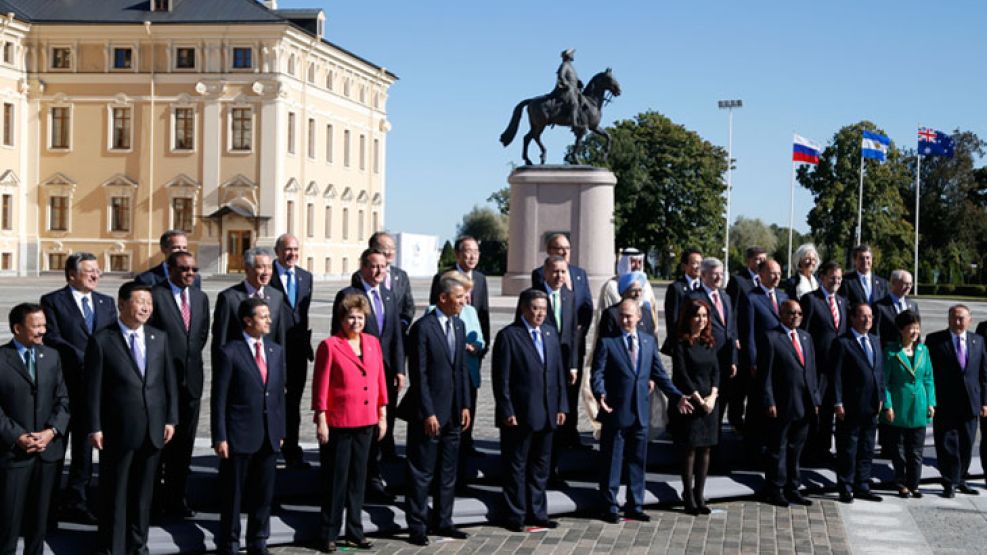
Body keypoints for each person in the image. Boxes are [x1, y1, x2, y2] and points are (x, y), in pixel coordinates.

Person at [85, 281, 177, 554]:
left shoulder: (158, 338)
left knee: (142, 497)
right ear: (122, 304)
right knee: (115, 495)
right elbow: (92, 389)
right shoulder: (102, 340)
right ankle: (111, 548)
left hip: (153, 428)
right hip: (117, 430)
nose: (146, 307)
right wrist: (95, 427)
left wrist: (170, 419)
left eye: (148, 302)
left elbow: (168, 382)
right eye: (139, 301)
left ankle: (138, 547)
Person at [593, 298, 691, 522]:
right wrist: (600, 394)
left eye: (629, 315)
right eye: (621, 316)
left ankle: (635, 505)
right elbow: (597, 373)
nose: (625, 320)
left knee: (637, 460)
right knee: (612, 460)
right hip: (615, 410)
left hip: (640, 410)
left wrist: (677, 397)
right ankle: (609, 506)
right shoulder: (608, 342)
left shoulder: (647, 342)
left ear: (639, 317)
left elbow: (660, 375)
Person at [40, 252, 117, 524]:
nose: (96, 276)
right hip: (63, 387)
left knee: (85, 447)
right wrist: (83, 356)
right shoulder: (53, 301)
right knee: (56, 447)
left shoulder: (106, 303)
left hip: (94, 389)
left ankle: (77, 499)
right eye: (89, 271)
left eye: (98, 271)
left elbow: (112, 339)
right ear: (72, 275)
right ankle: (47, 503)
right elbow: (51, 337)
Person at [399, 272, 472, 546]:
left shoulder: (459, 325)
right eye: (459, 298)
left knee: (447, 471)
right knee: (422, 472)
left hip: (454, 413)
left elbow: (461, 369)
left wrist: (464, 404)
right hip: (428, 414)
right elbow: (419, 375)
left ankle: (444, 520)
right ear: (443, 298)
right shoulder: (423, 328)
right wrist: (428, 412)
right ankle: (417, 525)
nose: (463, 302)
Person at [312, 293, 386, 552]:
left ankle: (355, 530)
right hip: (340, 422)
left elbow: (379, 380)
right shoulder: (330, 345)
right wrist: (321, 418)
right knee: (336, 480)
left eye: (360, 317)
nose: (355, 322)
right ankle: (328, 532)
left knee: (358, 478)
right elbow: (320, 385)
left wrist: (383, 413)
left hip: (366, 420)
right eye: (350, 317)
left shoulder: (373, 343)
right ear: (341, 320)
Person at [212, 298, 286, 555]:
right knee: (233, 496)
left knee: (263, 494)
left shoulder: (276, 351)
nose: (269, 320)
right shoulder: (230, 352)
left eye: (269, 315)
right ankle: (229, 543)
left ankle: (258, 540)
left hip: (269, 434)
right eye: (263, 316)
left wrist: (281, 431)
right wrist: (220, 435)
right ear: (247, 320)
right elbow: (219, 398)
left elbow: (278, 396)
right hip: (238, 434)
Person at [492, 289, 568, 532]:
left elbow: (558, 374)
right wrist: (506, 410)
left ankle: (538, 512)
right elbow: (500, 378)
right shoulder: (509, 336)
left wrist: (562, 406)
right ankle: (515, 514)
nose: (539, 314)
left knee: (540, 467)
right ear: (524, 308)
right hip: (519, 414)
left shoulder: (550, 333)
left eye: (544, 309)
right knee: (516, 466)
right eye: (535, 308)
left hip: (547, 412)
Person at [332, 248, 405, 501]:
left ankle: (375, 476)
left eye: (383, 267)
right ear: (363, 267)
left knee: (381, 427)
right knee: (361, 429)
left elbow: (395, 335)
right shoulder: (349, 295)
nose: (378, 271)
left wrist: (399, 368)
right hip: (358, 374)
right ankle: (361, 482)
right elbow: (338, 338)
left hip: (384, 375)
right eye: (373, 266)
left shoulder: (388, 295)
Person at [0, 304, 69, 555]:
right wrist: (16, 435)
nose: (43, 331)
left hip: (46, 454)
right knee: (7, 527)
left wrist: (51, 432)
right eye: (36, 326)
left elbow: (63, 400)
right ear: (18, 328)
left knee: (38, 527)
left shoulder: (51, 356)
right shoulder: (1, 358)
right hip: (13, 457)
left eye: (44, 325)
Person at [149, 251, 210, 518]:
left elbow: (201, 335)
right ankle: (152, 500)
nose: (190, 274)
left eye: (194, 269)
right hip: (162, 383)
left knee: (184, 446)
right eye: (184, 269)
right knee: (158, 445)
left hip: (191, 382)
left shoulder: (200, 297)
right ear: (169, 269)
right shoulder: (155, 295)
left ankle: (177, 497)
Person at [430, 236, 489, 457]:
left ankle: (467, 442)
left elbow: (483, 316)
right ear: (457, 254)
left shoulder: (481, 280)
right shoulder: (442, 278)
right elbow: (434, 311)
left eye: (476, 251)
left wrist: (482, 347)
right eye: (467, 251)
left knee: (468, 401)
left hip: (472, 355)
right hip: (448, 354)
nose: (471, 256)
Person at [760, 300, 820, 508]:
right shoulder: (771, 337)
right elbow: (765, 374)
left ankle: (793, 488)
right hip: (782, 403)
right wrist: (769, 400)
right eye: (791, 312)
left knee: (796, 449)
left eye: (799, 313)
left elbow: (811, 370)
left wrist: (815, 397)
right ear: (781, 313)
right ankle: (775, 489)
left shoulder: (806, 337)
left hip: (804, 403)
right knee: (779, 448)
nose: (795, 316)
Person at [926, 304, 987, 498]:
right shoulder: (935, 340)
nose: (958, 321)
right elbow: (928, 374)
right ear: (948, 319)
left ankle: (961, 479)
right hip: (945, 402)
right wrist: (930, 400)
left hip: (971, 401)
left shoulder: (978, 341)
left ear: (970, 320)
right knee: (946, 444)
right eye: (954, 317)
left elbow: (984, 374)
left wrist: (984, 402)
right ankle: (949, 481)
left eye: (962, 318)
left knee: (967, 443)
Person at [667, 300, 720, 515]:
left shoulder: (708, 341)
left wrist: (713, 396)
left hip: (709, 401)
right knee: (689, 449)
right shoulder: (680, 342)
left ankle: (700, 494)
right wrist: (699, 399)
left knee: (705, 449)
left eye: (705, 316)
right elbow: (681, 374)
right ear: (688, 318)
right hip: (690, 401)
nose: (701, 320)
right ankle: (688, 495)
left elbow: (716, 370)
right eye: (697, 316)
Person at [269, 233, 315, 469]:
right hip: (274, 350)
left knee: (294, 403)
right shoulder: (268, 276)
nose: (292, 254)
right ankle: (269, 449)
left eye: (296, 250)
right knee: (272, 401)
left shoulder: (306, 277)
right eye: (287, 250)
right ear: (277, 251)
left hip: (298, 351)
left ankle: (292, 451)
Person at [832, 303, 884, 503]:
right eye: (863, 316)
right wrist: (837, 401)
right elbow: (836, 375)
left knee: (867, 448)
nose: (867, 320)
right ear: (853, 318)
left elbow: (879, 373)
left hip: (871, 405)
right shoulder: (843, 343)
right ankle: (845, 486)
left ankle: (862, 485)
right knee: (848, 448)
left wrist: (881, 397)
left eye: (870, 316)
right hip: (850, 405)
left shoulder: (875, 340)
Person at [881, 310, 934, 498]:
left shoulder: (923, 350)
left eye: (917, 328)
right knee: (899, 449)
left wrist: (931, 402)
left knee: (917, 450)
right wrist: (887, 405)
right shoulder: (890, 352)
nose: (915, 332)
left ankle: (914, 484)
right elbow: (884, 382)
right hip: (898, 405)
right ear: (901, 329)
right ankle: (901, 482)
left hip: (919, 405)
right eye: (911, 328)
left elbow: (928, 378)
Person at [799, 261, 848, 462]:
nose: (836, 281)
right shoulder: (810, 300)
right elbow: (805, 332)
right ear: (822, 278)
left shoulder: (843, 302)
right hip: (817, 365)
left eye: (839, 278)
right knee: (815, 409)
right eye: (832, 277)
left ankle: (825, 449)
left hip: (837, 367)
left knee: (830, 408)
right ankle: (810, 449)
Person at [737, 258, 788, 450]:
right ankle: (752, 446)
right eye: (772, 273)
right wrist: (752, 362)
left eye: (779, 274)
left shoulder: (784, 297)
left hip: (780, 361)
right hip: (761, 360)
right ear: (761, 274)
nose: (776, 277)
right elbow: (748, 333)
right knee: (757, 405)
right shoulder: (751, 298)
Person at [540, 256, 583, 479]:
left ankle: (554, 468)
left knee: (560, 415)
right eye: (555, 272)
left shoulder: (569, 296)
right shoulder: (535, 296)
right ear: (546, 272)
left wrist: (574, 365)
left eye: (563, 272)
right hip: (542, 365)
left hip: (563, 364)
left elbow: (574, 335)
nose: (559, 276)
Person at [686, 258, 738, 433]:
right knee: (705, 406)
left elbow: (731, 330)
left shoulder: (726, 297)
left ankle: (716, 447)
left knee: (721, 404)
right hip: (705, 359)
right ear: (703, 274)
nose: (719, 278)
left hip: (725, 360)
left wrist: (733, 360)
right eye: (715, 274)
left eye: (721, 274)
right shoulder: (694, 298)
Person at [212, 247, 287, 362]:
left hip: (268, 366)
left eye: (269, 267)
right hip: (238, 366)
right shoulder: (228, 298)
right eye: (260, 267)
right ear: (247, 269)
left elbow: (280, 338)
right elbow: (220, 341)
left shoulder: (277, 297)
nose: (266, 272)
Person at [369, 231, 416, 334]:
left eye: (393, 248)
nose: (389, 252)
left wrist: (403, 324)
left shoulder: (401, 275)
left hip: (398, 334)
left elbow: (409, 306)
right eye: (385, 248)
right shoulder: (364, 276)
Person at [662, 248, 703, 354]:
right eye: (694, 263)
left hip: (703, 341)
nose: (698, 266)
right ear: (684, 266)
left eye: (700, 263)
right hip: (684, 342)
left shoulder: (705, 286)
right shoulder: (676, 288)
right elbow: (672, 320)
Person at [596, 247, 658, 315]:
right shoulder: (612, 286)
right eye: (633, 262)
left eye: (639, 262)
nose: (637, 266)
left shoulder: (646, 285)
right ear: (625, 263)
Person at [135, 230, 202, 288]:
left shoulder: (195, 278)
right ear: (163, 249)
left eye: (184, 248)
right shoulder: (146, 279)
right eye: (176, 247)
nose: (181, 251)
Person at [872, 270, 920, 347]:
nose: (909, 286)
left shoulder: (913, 305)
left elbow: (917, 331)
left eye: (910, 284)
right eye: (906, 283)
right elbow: (875, 335)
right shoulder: (879, 307)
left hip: (910, 353)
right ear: (894, 283)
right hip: (889, 353)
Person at [726, 246, 767, 311]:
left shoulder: (767, 279)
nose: (762, 263)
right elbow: (732, 306)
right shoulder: (737, 280)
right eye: (758, 259)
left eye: (764, 259)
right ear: (748, 261)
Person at [555, 48, 581, 129]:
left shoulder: (570, 66)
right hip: (566, 90)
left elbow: (573, 78)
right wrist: (567, 84)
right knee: (574, 103)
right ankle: (574, 124)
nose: (573, 55)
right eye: (572, 54)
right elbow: (561, 76)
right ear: (568, 56)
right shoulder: (565, 65)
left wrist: (579, 82)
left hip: (574, 90)